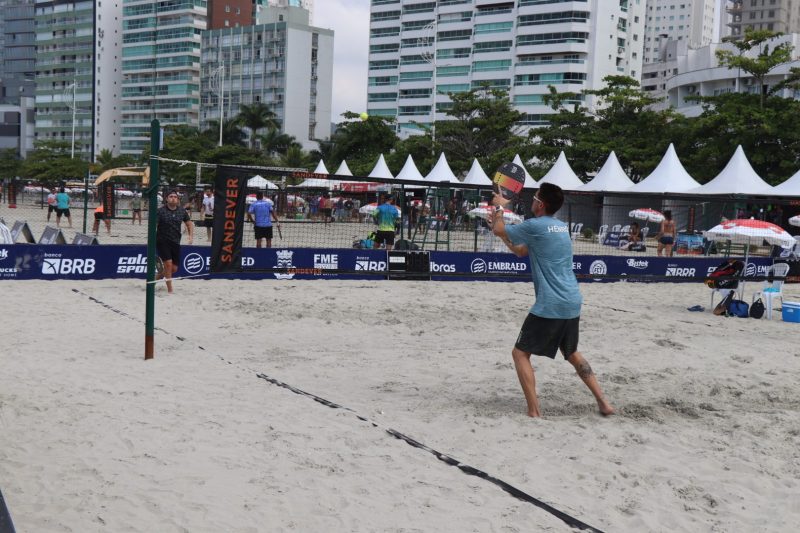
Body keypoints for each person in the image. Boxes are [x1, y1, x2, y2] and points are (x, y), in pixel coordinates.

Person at [489, 183, 614, 418]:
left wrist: (499, 208)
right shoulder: (560, 227)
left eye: (535, 197)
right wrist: (504, 232)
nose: (533, 201)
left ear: (541, 204)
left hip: (551, 303)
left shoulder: (536, 225)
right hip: (572, 300)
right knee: (572, 352)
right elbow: (522, 251)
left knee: (520, 353)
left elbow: (498, 229)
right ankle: (604, 403)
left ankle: (534, 411)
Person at [156, 190, 193, 293]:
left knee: (173, 269)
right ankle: (170, 290)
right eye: (171, 196)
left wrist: (190, 236)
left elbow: (189, 223)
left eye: (175, 197)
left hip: (176, 241)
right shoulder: (160, 211)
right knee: (168, 264)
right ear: (167, 199)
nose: (173, 198)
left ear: (177, 200)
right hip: (162, 240)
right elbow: (153, 225)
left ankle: (153, 280)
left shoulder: (182, 211)